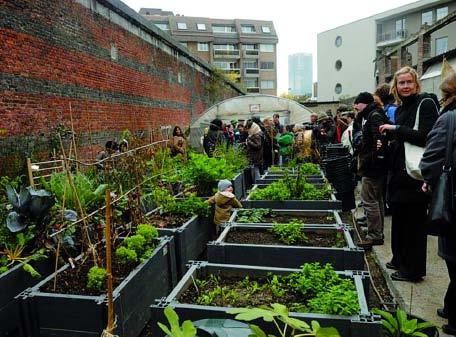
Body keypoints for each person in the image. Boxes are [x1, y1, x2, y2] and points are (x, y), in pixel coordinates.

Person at [379, 66, 439, 282]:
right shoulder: (402, 108)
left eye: (408, 82)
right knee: (400, 220)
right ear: (395, 87)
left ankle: (412, 270)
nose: (405, 86)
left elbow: (426, 137)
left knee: (413, 224)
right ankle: (400, 259)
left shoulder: (426, 103)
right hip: (399, 173)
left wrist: (396, 130)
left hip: (414, 176)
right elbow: (404, 140)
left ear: (416, 84)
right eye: (401, 83)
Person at [419, 72, 456, 335]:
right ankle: (451, 305)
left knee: (454, 257)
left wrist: (429, 180)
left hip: (453, 198)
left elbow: (431, 157)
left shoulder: (449, 119)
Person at [353, 92, 390, 248]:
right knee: (377, 199)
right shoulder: (374, 114)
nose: (355, 107)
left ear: (364, 103)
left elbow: (379, 141)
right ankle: (377, 232)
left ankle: (374, 235)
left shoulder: (374, 116)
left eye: (357, 104)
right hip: (376, 165)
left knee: (369, 200)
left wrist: (374, 161)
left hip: (373, 167)